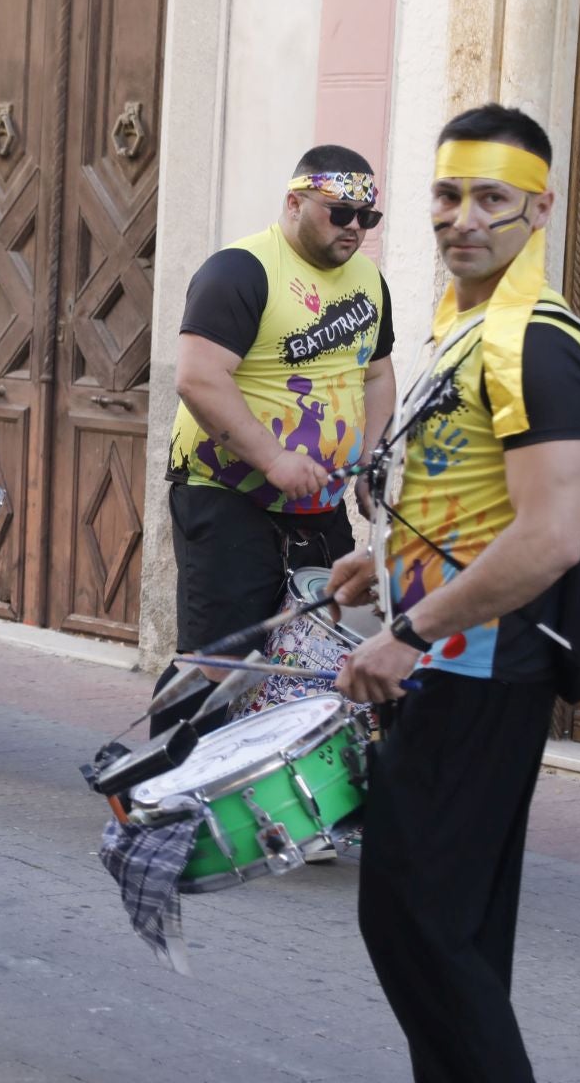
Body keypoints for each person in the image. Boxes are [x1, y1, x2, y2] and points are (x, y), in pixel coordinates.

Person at [327, 106, 580, 1082]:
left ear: (538, 207)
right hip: (457, 658)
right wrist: (389, 555)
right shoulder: (468, 327)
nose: (463, 217)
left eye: (491, 197)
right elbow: (472, 493)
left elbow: (548, 533)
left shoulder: (536, 345)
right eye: (449, 194)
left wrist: (408, 628)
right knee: (454, 932)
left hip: (482, 667)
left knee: (415, 921)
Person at [152, 145, 395, 737]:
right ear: (295, 202)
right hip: (226, 491)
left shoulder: (369, 280)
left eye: (368, 217)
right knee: (218, 658)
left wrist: (370, 460)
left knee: (311, 645)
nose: (356, 229)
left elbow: (378, 372)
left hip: (318, 503)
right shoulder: (240, 270)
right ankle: (161, 796)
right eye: (341, 213)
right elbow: (198, 377)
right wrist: (274, 458)